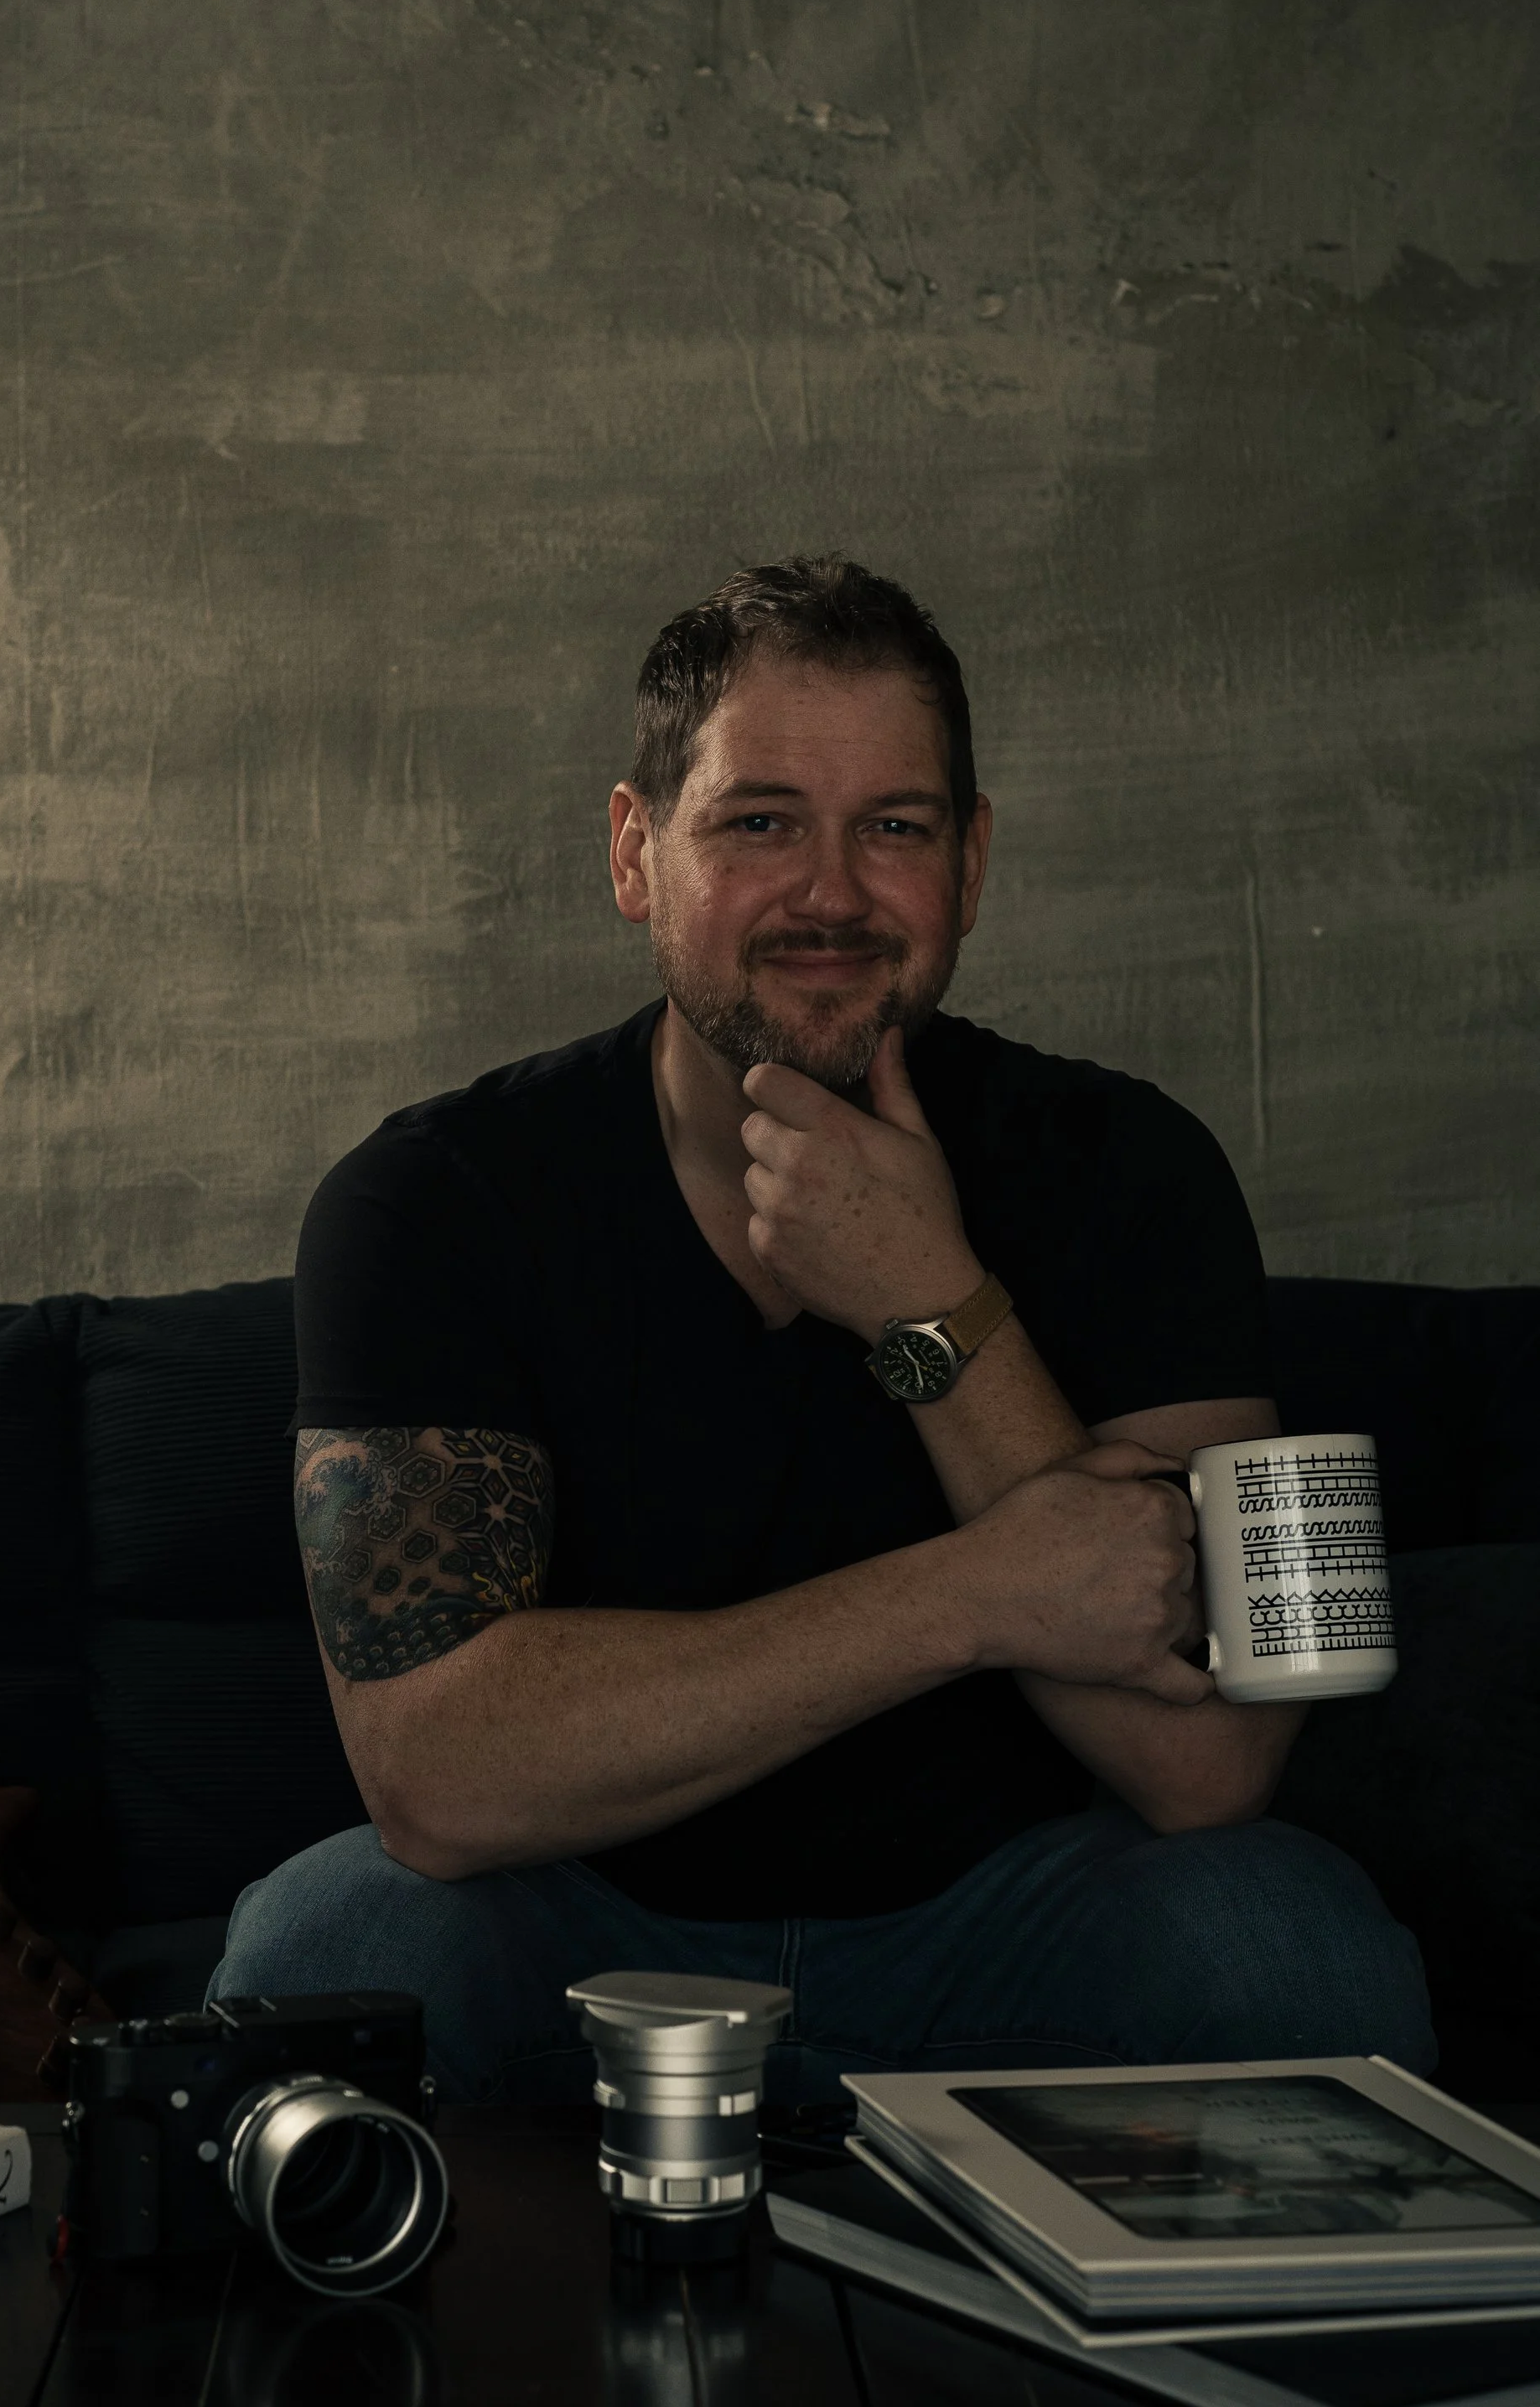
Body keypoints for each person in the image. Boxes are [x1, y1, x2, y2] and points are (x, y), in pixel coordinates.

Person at [211, 559, 1430, 2101]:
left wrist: (933, 1305)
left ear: (971, 864)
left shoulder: (1140, 1167)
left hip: (1021, 1914)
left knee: (1292, 1945)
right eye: (760, 821)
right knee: (325, 1945)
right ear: (634, 852)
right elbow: (440, 1784)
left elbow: (1207, 1770)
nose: (835, 894)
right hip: (583, 1924)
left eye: (897, 827)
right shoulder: (423, 1204)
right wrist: (981, 1594)